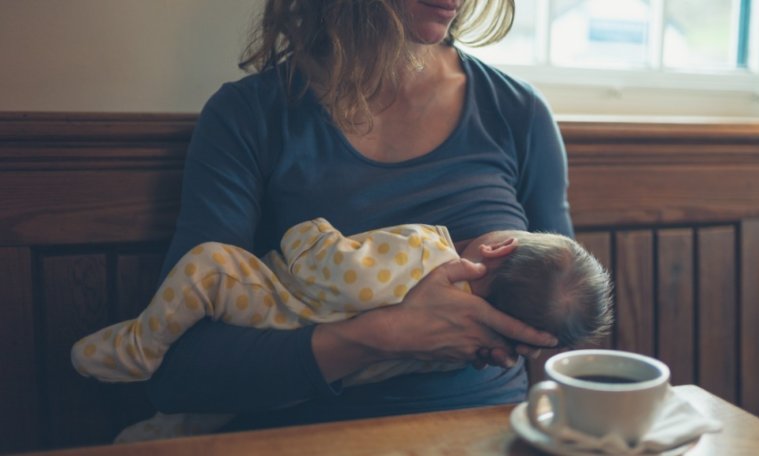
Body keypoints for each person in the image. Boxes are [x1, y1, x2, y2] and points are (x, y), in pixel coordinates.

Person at [144, 0, 574, 434]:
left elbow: (563, 324)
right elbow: (180, 374)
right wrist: (384, 336)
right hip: (310, 438)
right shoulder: (249, 115)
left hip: (490, 435)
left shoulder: (517, 112)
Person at [72, 217, 611, 441]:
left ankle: (138, 346)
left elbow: (326, 267)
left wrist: (310, 232)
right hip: (305, 389)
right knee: (205, 416)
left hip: (268, 307)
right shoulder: (460, 347)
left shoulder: (426, 249)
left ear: (498, 248)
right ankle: (149, 434)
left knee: (208, 266)